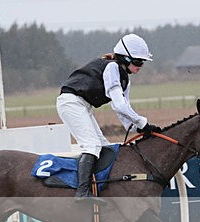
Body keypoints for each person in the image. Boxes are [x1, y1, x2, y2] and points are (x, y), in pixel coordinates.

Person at [57, 33, 161, 202]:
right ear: (126, 59)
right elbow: (120, 106)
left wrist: (137, 128)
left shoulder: (124, 77)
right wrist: (143, 122)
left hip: (83, 106)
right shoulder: (112, 67)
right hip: (71, 102)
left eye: (142, 62)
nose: (141, 66)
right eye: (138, 61)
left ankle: (99, 188)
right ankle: (82, 193)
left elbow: (122, 109)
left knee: (104, 146)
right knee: (92, 145)